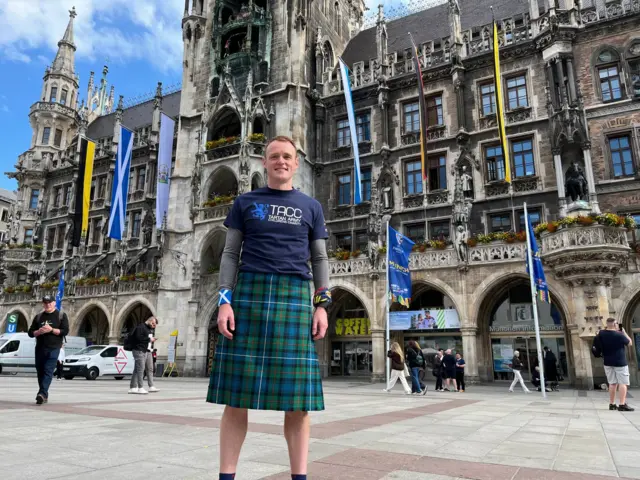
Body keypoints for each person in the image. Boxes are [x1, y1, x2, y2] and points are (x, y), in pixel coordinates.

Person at [207, 136, 330, 480]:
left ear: (296, 162)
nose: (281, 161)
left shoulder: (311, 206)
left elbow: (319, 258)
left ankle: (299, 477)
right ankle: (226, 477)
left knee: (298, 402)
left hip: (293, 295)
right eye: (274, 156)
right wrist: (224, 300)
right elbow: (230, 254)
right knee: (236, 398)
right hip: (250, 294)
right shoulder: (245, 202)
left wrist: (322, 303)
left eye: (287, 156)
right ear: (265, 162)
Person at [27, 295, 69, 404]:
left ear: (54, 303)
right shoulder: (39, 316)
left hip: (54, 347)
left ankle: (41, 394)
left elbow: (65, 331)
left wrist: (51, 330)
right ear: (43, 304)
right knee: (40, 371)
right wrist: (38, 332)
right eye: (45, 303)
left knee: (48, 370)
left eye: (50, 302)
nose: (47, 305)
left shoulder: (61, 315)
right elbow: (30, 333)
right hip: (40, 347)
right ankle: (44, 394)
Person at [598, 318, 634, 411]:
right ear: (614, 324)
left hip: (607, 362)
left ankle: (612, 404)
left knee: (612, 383)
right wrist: (624, 332)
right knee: (623, 383)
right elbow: (630, 343)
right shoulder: (619, 335)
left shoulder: (601, 333)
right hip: (620, 362)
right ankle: (622, 404)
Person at [128, 316, 158, 395]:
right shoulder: (141, 327)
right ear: (150, 321)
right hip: (138, 350)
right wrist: (149, 339)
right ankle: (140, 388)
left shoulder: (148, 329)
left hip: (144, 350)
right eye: (153, 324)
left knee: (137, 369)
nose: (153, 326)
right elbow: (138, 338)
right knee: (141, 369)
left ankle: (133, 387)